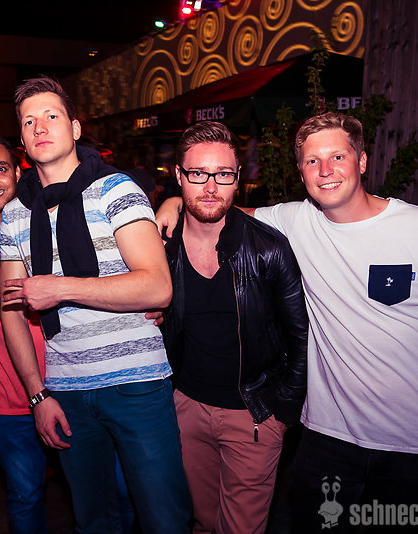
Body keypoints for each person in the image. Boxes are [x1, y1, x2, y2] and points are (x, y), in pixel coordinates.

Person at [157, 112, 418, 533]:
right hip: (326, 434)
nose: (325, 170)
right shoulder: (296, 221)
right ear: (300, 171)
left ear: (362, 161)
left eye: (337, 156)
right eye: (312, 161)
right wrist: (174, 201)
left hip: (413, 440)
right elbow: (216, 204)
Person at [0, 75, 191, 533]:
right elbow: (12, 312)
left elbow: (157, 287)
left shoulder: (115, 190)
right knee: (94, 521)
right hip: (66, 391)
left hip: (137, 384)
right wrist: (37, 394)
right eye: (29, 121)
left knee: (165, 518)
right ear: (22, 138)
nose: (40, 126)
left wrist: (62, 288)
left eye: (51, 116)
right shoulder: (15, 212)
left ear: (75, 128)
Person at [161, 121, 308, 534]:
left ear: (238, 178)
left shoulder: (269, 248)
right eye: (198, 173)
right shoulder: (161, 248)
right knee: (203, 520)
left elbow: (300, 337)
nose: (210, 187)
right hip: (184, 407)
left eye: (223, 174)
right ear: (179, 176)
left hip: (254, 415)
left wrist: (281, 412)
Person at [0, 131, 49, 534]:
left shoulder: (51, 220)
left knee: (108, 496)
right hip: (6, 397)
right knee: (25, 496)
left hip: (71, 386)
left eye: (0, 168)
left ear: (18, 172)